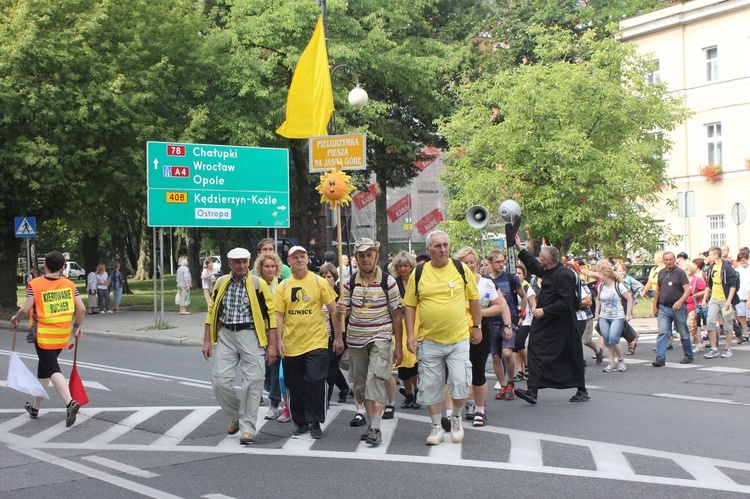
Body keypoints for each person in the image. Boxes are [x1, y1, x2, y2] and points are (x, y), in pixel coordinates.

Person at [403, 230, 480, 445]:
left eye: (445, 245)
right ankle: (436, 426)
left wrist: (477, 326)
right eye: (437, 246)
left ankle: (455, 417)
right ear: (428, 249)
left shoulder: (460, 268)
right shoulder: (418, 273)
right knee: (430, 385)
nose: (442, 249)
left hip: (458, 339)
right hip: (429, 340)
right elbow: (409, 305)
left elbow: (474, 299)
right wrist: (410, 334)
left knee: (460, 382)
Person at [202, 247, 277, 446]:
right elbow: (212, 312)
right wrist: (207, 340)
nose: (242, 266)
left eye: (245, 262)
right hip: (226, 335)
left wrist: (272, 346)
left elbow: (271, 316)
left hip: (251, 334)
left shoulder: (258, 284)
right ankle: (237, 415)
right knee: (219, 381)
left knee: (253, 381)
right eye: (238, 262)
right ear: (230, 263)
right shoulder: (220, 282)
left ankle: (248, 429)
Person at [337, 237, 403, 445]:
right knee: (359, 387)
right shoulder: (348, 284)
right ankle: (370, 423)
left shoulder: (388, 281)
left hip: (381, 337)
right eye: (362, 255)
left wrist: (398, 346)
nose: (366, 259)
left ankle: (376, 427)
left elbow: (397, 315)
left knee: (375, 378)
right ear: (356, 258)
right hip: (356, 340)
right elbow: (344, 313)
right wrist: (341, 311)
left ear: (377, 256)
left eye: (369, 255)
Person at [275, 246, 343, 439]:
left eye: (302, 256)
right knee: (295, 385)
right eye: (295, 257)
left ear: (308, 259)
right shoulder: (284, 286)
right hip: (291, 344)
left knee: (315, 380)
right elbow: (279, 315)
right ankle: (301, 421)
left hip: (316, 341)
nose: (299, 260)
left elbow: (333, 311)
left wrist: (338, 337)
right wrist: (278, 340)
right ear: (289, 261)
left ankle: (315, 421)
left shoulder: (319, 282)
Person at [10, 251, 85, 427]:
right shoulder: (70, 285)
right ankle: (35, 408)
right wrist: (76, 326)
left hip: (43, 335)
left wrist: (16, 318)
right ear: (62, 266)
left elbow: (26, 308)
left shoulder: (35, 284)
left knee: (51, 368)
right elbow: (80, 308)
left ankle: (70, 403)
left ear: (45, 265)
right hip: (61, 335)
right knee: (43, 370)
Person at [513, 235, 589, 404]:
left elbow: (566, 302)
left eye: (541, 257)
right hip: (546, 322)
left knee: (570, 354)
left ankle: (581, 389)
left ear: (546, 260)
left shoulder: (563, 275)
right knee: (535, 349)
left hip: (562, 323)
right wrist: (520, 247)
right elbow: (533, 265)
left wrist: (545, 310)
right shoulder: (549, 271)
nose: (539, 259)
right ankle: (533, 390)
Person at [455, 247, 510, 428]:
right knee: (459, 372)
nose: (470, 265)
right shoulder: (452, 282)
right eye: (465, 262)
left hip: (481, 330)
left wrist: (479, 313)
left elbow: (498, 306)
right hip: (456, 331)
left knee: (477, 370)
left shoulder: (485, 282)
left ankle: (479, 410)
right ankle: (461, 408)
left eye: (472, 262)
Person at [484, 249, 527, 401]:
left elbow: (523, 296)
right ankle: (502, 385)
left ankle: (510, 382)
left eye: (503, 261)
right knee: (496, 356)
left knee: (507, 353)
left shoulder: (510, 278)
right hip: (491, 322)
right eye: (498, 262)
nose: (501, 264)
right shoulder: (486, 280)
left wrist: (521, 314)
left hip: (509, 321)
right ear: (490, 262)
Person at [253, 252, 285, 421]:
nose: (270, 269)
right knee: (263, 371)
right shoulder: (255, 285)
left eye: (273, 266)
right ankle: (272, 392)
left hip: (278, 333)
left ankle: (274, 404)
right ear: (260, 268)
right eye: (267, 266)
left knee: (274, 370)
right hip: (259, 334)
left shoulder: (281, 285)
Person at [389, 251, 420, 410]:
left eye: (406, 266)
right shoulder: (394, 283)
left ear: (411, 266)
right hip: (399, 323)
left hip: (416, 322)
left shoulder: (417, 281)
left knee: (413, 360)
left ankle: (416, 391)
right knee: (401, 360)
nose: (403, 269)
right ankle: (409, 394)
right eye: (400, 266)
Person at [651, 252, 692, 366]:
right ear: (663, 261)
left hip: (678, 308)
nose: (668, 262)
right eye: (666, 260)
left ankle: (688, 355)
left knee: (683, 332)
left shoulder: (680, 273)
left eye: (670, 259)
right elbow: (657, 290)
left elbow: (687, 290)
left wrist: (680, 301)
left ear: (674, 260)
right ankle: (660, 358)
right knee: (663, 332)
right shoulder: (661, 272)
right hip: (664, 307)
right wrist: (655, 305)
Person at [319, 263, 350, 407]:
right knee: (330, 365)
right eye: (323, 276)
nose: (326, 279)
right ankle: (344, 387)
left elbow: (344, 316)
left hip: (336, 336)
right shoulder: (317, 292)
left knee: (330, 367)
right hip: (320, 336)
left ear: (335, 278)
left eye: (329, 276)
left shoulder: (340, 294)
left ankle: (325, 398)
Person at [594, 263, 633, 372]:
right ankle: (611, 363)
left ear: (606, 275)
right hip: (604, 316)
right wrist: (597, 313)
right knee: (606, 340)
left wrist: (628, 314)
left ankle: (620, 359)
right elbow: (598, 300)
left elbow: (629, 299)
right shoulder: (601, 286)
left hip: (617, 316)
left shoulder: (618, 286)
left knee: (614, 339)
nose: (599, 277)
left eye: (601, 275)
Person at [703, 246, 740, 359]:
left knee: (728, 323)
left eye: (710, 255)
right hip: (714, 298)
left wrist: (729, 301)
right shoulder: (711, 268)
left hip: (725, 299)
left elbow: (733, 285)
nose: (708, 257)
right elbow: (709, 285)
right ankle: (714, 348)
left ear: (716, 255)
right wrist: (705, 299)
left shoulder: (727, 267)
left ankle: (728, 349)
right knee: (710, 321)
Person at [683, 261, 707, 353]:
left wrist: (697, 294)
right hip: (685, 305)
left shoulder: (697, 280)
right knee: (691, 327)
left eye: (685, 270)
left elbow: (706, 290)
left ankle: (694, 344)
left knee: (692, 326)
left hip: (694, 305)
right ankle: (698, 344)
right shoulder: (683, 281)